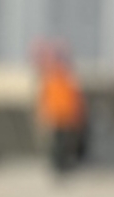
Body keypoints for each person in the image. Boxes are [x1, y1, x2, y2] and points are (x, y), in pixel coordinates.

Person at [35, 40, 89, 178]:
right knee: (59, 143)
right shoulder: (55, 78)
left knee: (63, 143)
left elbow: (75, 98)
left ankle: (61, 166)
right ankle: (59, 166)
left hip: (65, 115)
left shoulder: (64, 77)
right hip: (58, 115)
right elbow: (45, 98)